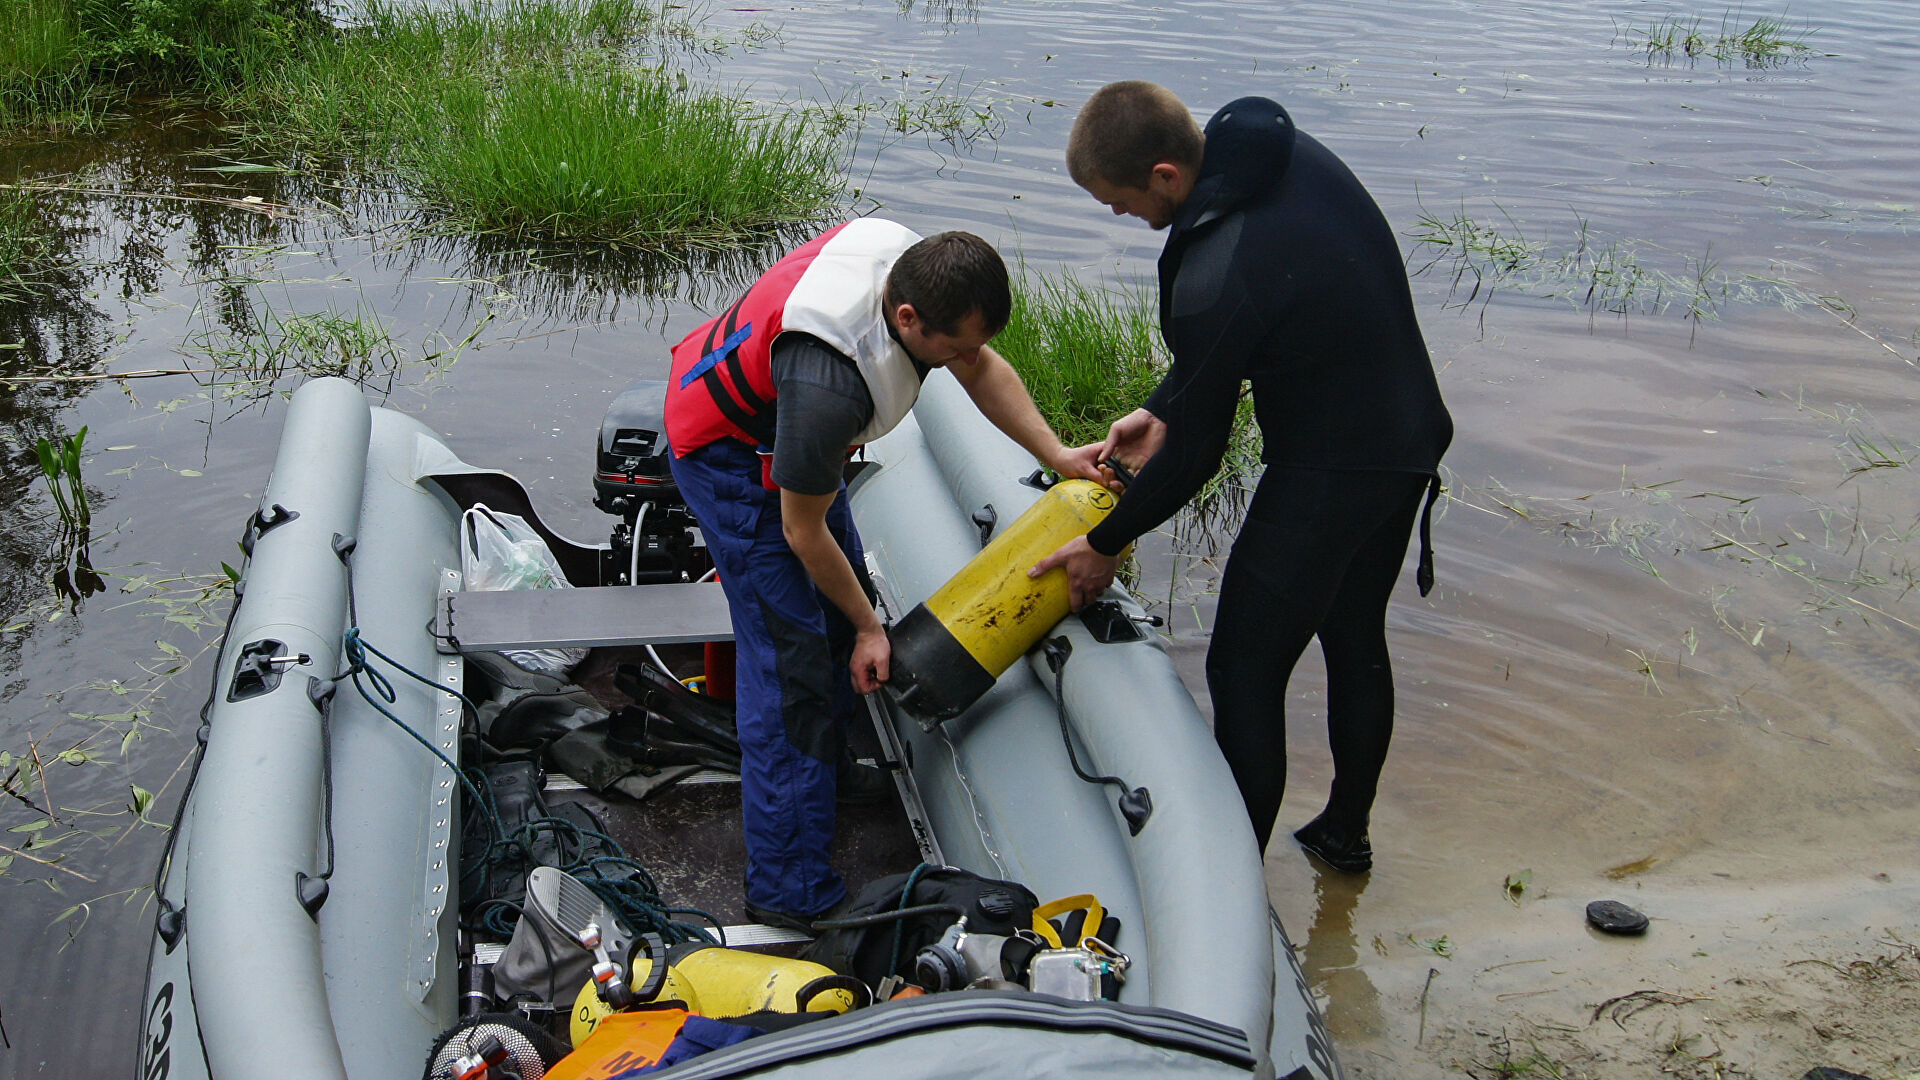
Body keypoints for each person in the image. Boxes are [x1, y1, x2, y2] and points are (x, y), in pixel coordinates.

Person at [1030, 82, 1453, 873]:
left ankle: (1231, 885)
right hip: (1407, 437)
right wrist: (1160, 408)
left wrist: (1106, 542)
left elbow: (1200, 455)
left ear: (1163, 175)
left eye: (1120, 203)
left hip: (1333, 465)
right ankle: (1343, 835)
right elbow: (1245, 340)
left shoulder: (1215, 262)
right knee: (1355, 634)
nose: (1119, 218)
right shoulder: (1270, 155)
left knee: (1241, 667)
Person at [665, 220, 1100, 927]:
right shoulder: (829, 381)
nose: (965, 358)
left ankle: (830, 775)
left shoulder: (912, 265)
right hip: (730, 460)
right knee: (790, 667)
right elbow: (800, 532)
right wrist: (872, 628)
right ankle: (788, 887)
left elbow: (980, 366)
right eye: (952, 345)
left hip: (794, 442)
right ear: (906, 318)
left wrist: (1058, 452)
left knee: (838, 613)